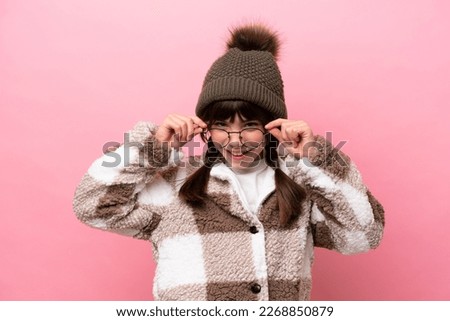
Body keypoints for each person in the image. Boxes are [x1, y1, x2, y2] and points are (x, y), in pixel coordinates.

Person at [73, 24, 385, 301]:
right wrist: (153, 146)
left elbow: (363, 235)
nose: (234, 140)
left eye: (249, 125)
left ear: (272, 125)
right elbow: (91, 205)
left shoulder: (301, 185)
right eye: (222, 125)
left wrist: (318, 157)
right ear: (206, 125)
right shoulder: (175, 182)